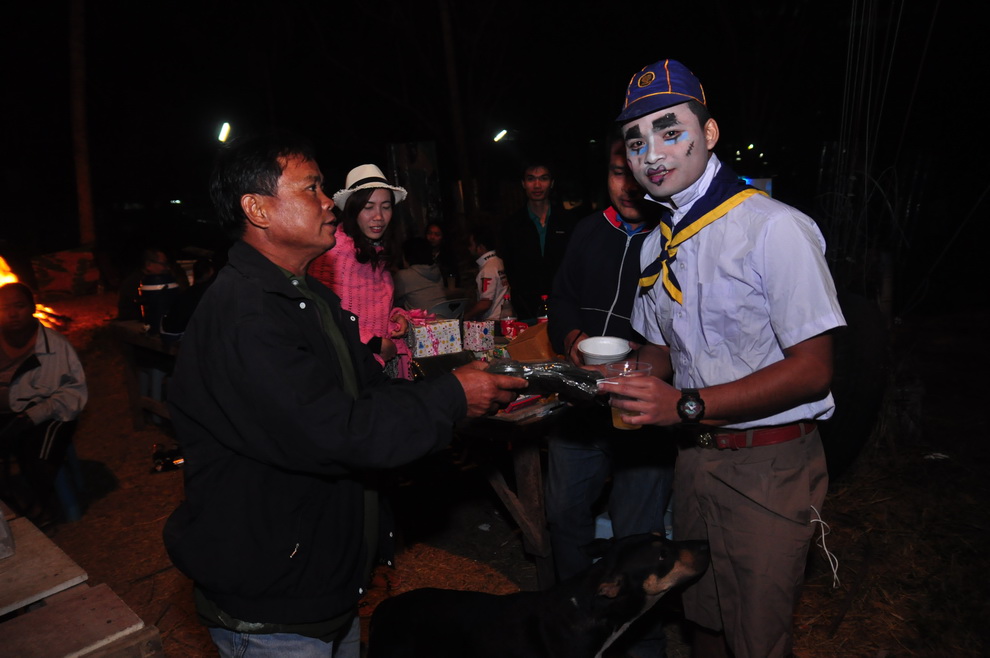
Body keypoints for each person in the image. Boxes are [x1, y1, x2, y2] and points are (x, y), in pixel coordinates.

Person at [162, 131, 525, 658]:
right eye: (310, 189)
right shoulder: (247, 316)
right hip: (274, 605)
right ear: (258, 209)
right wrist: (452, 397)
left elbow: (369, 391)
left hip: (322, 583)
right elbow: (340, 432)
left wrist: (454, 386)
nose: (329, 202)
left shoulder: (307, 296)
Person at [600, 59, 846, 658]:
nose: (652, 154)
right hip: (694, 459)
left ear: (709, 133)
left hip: (770, 464)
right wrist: (626, 377)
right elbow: (664, 348)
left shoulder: (773, 229)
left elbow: (814, 369)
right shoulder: (656, 245)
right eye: (636, 142)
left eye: (670, 131)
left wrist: (684, 404)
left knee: (757, 636)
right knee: (702, 618)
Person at [545, 134, 673, 657]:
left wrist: (650, 361)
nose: (627, 186)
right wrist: (573, 339)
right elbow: (562, 301)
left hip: (642, 414)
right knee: (564, 517)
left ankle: (639, 643)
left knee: (638, 535)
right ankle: (576, 628)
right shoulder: (587, 231)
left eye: (634, 173)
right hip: (580, 407)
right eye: (617, 173)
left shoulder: (675, 238)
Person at [308, 164, 413, 379]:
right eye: (368, 207)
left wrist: (397, 316)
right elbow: (320, 310)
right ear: (352, 210)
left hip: (378, 364)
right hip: (349, 365)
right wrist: (373, 342)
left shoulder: (376, 250)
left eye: (386, 207)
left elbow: (376, 305)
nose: (379, 216)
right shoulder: (333, 250)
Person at [0, 282, 87, 524]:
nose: (13, 313)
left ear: (32, 308)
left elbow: (72, 394)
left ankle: (47, 507)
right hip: (8, 413)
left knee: (36, 456)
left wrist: (32, 416)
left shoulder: (54, 346)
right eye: (5, 308)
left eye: (19, 306)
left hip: (51, 413)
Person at [499, 161, 577, 322]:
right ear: (523, 183)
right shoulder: (511, 226)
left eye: (543, 178)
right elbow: (510, 271)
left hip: (565, 307)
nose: (537, 185)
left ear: (552, 183)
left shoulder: (569, 222)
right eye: (531, 179)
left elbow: (576, 265)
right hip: (526, 312)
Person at [463, 225, 509, 321]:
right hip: (505, 317)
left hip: (493, 321)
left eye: (470, 244)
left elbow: (485, 303)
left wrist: (465, 317)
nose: (469, 248)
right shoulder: (499, 262)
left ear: (481, 247)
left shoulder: (487, 269)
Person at [393, 237, 447, 312]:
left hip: (426, 318)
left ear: (407, 256)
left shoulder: (404, 276)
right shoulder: (436, 271)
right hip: (446, 316)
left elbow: (390, 299)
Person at [424, 222, 459, 288]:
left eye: (437, 234)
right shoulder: (422, 255)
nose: (432, 237)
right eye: (429, 233)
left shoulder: (449, 256)